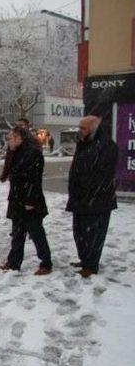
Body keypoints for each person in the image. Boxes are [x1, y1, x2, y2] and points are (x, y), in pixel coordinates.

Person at [0, 127, 52, 275]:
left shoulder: (32, 153)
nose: (8, 141)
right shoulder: (16, 152)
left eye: (11, 138)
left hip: (29, 202)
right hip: (17, 200)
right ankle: (14, 263)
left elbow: (34, 179)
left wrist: (30, 201)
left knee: (36, 233)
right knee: (17, 234)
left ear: (19, 138)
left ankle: (46, 263)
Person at [66, 115, 118, 278]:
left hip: (97, 200)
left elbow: (102, 174)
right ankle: (84, 260)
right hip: (80, 199)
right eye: (79, 127)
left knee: (94, 234)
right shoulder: (84, 143)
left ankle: (91, 265)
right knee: (79, 232)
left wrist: (87, 190)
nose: (79, 131)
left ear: (93, 129)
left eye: (83, 128)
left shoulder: (106, 146)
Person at [0, 118, 41, 182]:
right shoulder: (13, 140)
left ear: (27, 126)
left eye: (21, 125)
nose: (18, 127)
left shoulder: (34, 140)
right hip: (15, 176)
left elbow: (38, 159)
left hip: (28, 177)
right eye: (17, 125)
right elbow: (9, 158)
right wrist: (5, 173)